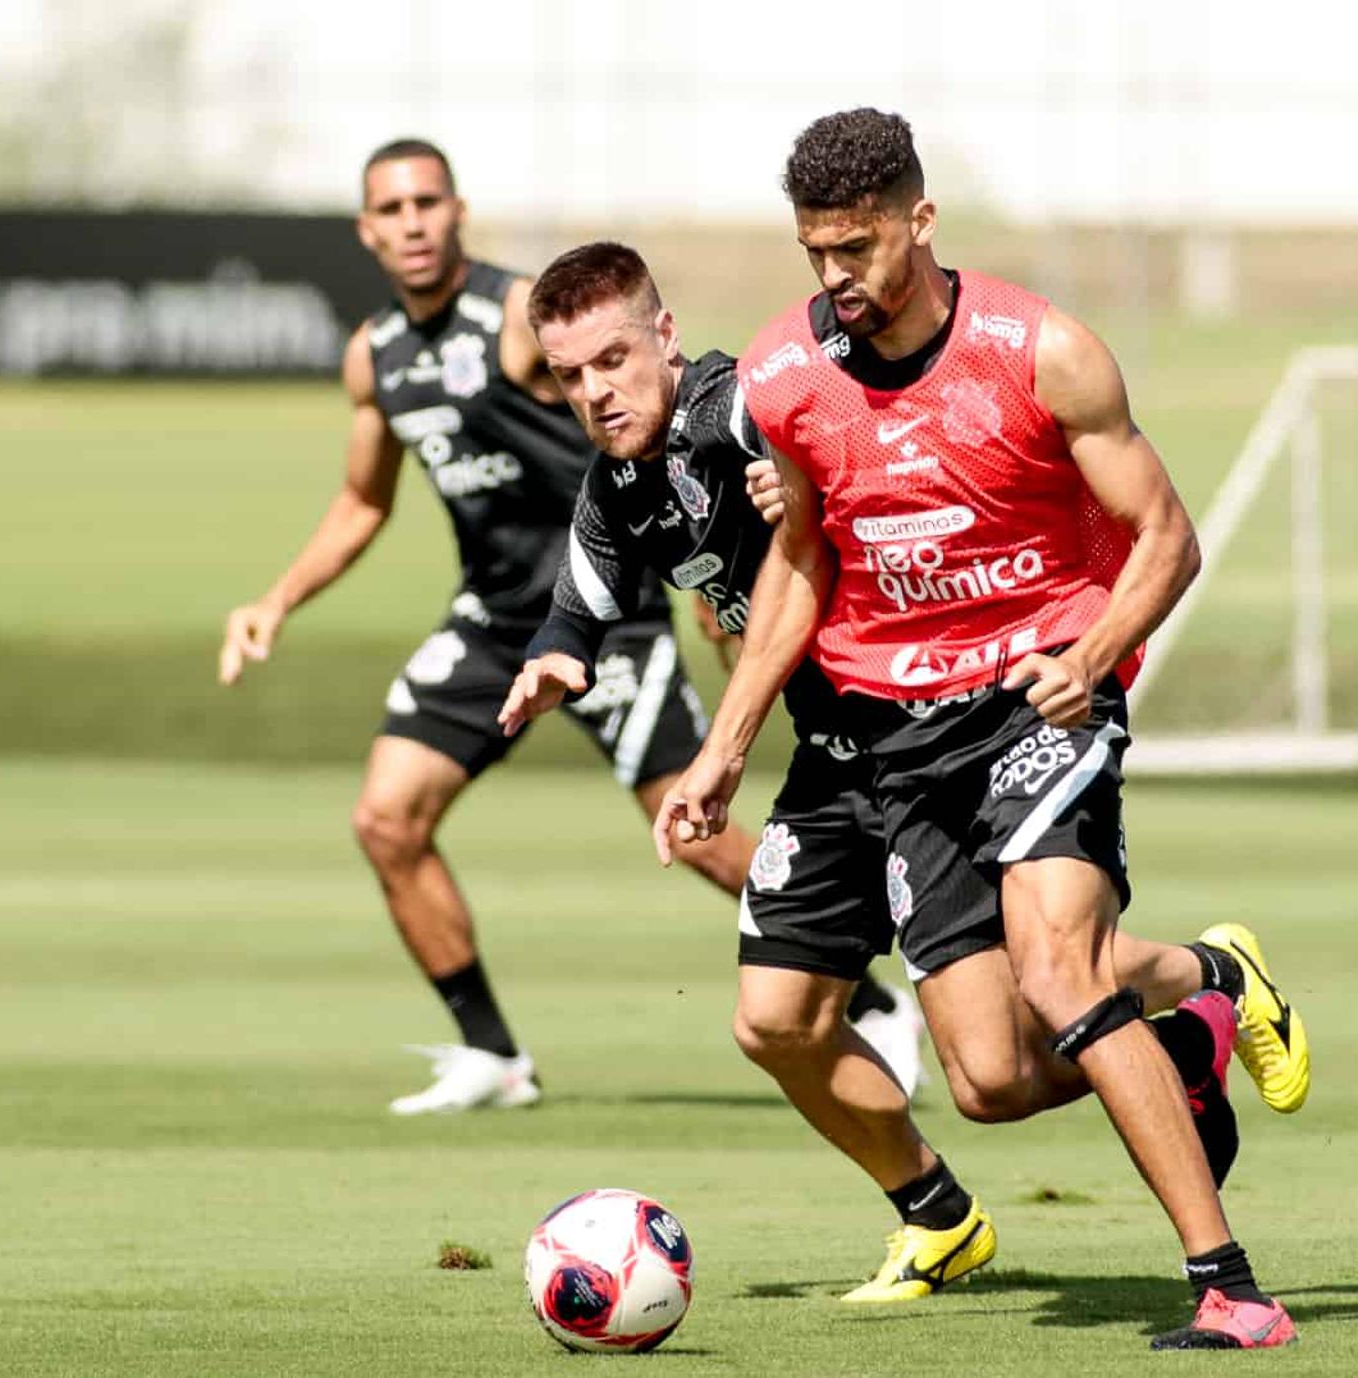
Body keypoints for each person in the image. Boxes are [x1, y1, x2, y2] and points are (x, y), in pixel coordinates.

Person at [499, 240, 1262, 1305]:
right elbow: (578, 601)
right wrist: (553, 659)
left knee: (999, 1062)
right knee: (773, 1021)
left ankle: (1199, 995)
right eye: (570, 374)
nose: (595, 391)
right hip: (832, 761)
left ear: (663, 337)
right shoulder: (616, 486)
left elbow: (840, 444)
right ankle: (938, 1215)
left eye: (613, 360)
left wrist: (792, 484)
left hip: (929, 734)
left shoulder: (743, 407)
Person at [656, 110, 1309, 1349]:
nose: (837, 277)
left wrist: (1094, 658)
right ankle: (1201, 1008)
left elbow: (1168, 536)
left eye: (857, 247)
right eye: (815, 254)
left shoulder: (1040, 351)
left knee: (1061, 968)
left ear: (921, 220)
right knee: (994, 1080)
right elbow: (798, 556)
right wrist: (729, 740)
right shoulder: (784, 373)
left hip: (1036, 700)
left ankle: (1230, 1286)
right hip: (895, 741)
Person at [217, 138, 912, 1115]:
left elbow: (665, 402)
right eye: (392, 208)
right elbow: (360, 502)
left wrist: (726, 539)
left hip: (612, 617)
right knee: (385, 816)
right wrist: (274, 600)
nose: (413, 222)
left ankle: (872, 998)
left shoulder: (518, 317)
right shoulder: (373, 357)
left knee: (702, 838)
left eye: (428, 202)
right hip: (499, 623)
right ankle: (491, 1052)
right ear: (366, 231)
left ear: (457, 211)